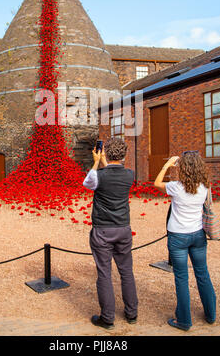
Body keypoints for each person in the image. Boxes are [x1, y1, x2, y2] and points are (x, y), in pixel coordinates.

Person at [154, 151, 216, 331]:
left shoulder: (176, 187)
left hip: (178, 236)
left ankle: (184, 320)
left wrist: (167, 165)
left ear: (182, 168)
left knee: (181, 277)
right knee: (202, 273)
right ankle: (211, 314)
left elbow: (157, 183)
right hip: (197, 234)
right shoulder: (205, 186)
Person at [83, 137, 138, 330]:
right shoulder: (130, 175)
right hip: (123, 227)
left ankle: (107, 318)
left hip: (103, 229)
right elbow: (112, 173)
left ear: (106, 153)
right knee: (126, 272)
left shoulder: (98, 176)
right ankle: (132, 313)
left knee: (104, 273)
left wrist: (97, 160)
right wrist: (105, 162)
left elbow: (88, 183)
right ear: (124, 155)